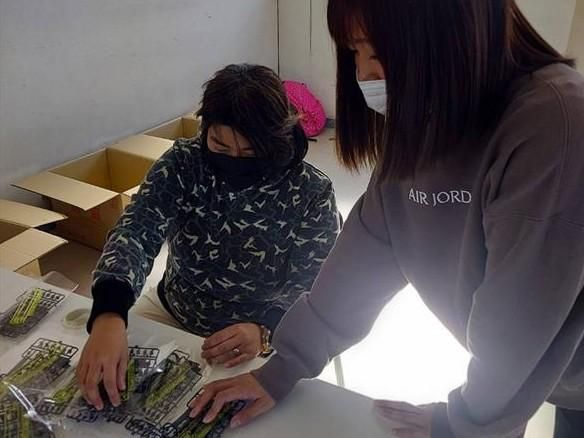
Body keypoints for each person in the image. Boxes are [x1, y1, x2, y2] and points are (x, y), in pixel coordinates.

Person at [191, 2, 584, 437]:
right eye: (354, 53)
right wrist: (282, 369)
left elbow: (519, 319)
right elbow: (368, 248)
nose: (364, 74)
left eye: (375, 51)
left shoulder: (554, 120)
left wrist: (463, 422)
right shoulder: (431, 114)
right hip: (547, 375)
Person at [76, 64, 340, 411]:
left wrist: (265, 331)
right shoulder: (184, 163)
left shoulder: (310, 190)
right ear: (206, 130)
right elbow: (137, 231)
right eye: (220, 145)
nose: (235, 161)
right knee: (107, 392)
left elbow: (313, 280)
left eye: (250, 152)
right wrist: (109, 313)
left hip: (260, 333)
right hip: (172, 311)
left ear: (277, 139)